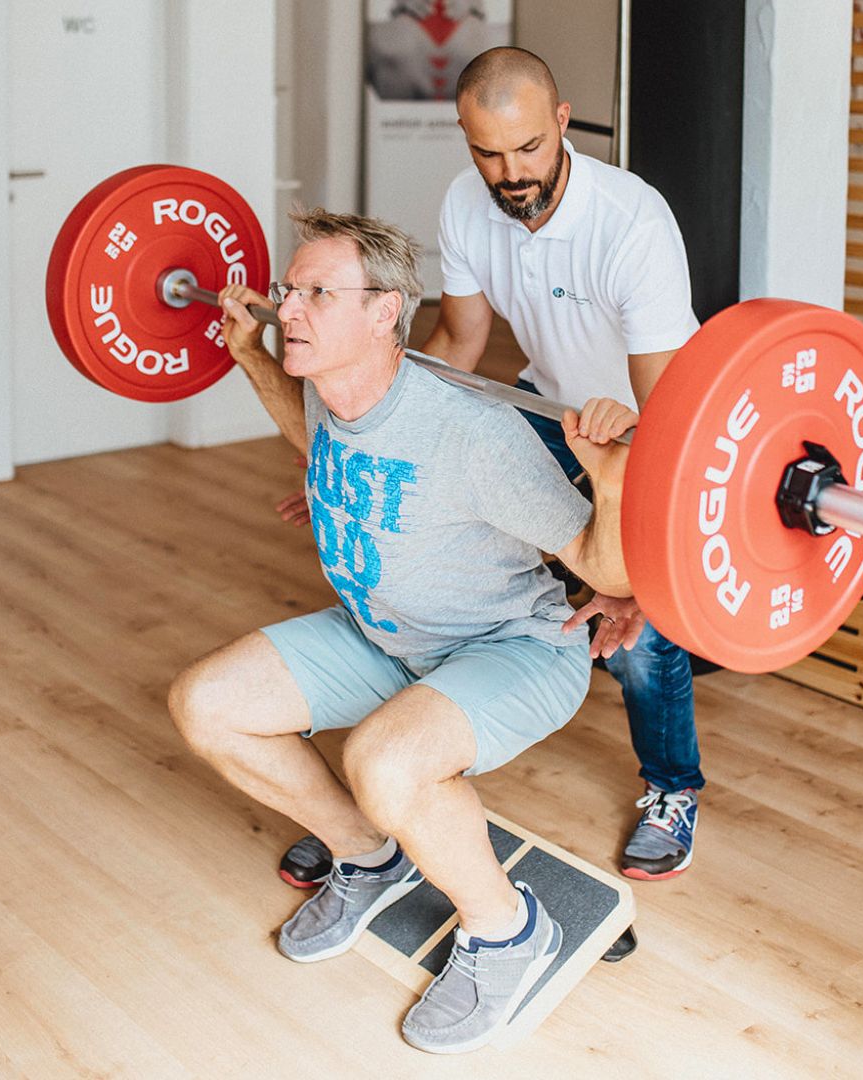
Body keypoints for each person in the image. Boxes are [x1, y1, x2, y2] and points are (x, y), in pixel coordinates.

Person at [168, 207, 642, 1054]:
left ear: (386, 312)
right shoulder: (337, 390)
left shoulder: (472, 431)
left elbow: (609, 574)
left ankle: (507, 932)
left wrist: (610, 478)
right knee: (207, 704)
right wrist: (248, 354)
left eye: (318, 292)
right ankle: (367, 858)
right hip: (386, 634)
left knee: (383, 761)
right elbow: (312, 438)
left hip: (514, 647)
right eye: (288, 290)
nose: (291, 308)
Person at [279, 47, 704, 887]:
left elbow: (671, 414)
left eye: (528, 149)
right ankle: (409, 769)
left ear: (562, 122)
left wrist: (637, 577)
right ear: (465, 140)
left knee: (634, 630)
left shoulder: (633, 223)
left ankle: (672, 788)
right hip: (548, 406)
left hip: (644, 426)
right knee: (442, 536)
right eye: (487, 153)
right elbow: (456, 349)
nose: (510, 173)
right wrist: (368, 444)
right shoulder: (466, 207)